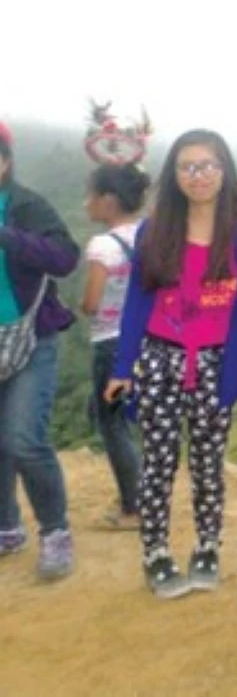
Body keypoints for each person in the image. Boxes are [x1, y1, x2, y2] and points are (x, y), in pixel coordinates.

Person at [105, 129, 237, 598]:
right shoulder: (154, 231)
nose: (198, 176)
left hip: (217, 360)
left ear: (225, 170)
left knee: (207, 462)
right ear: (174, 175)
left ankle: (207, 546)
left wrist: (236, 370)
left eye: (208, 165)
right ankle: (155, 552)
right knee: (158, 461)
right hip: (160, 358)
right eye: (187, 167)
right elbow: (138, 302)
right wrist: (123, 366)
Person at [0, 119, 82, 581]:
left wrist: (6, 236)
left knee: (23, 440)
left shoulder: (27, 206)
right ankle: (6, 527)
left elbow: (65, 258)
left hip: (32, 339)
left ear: (5, 161)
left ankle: (55, 532)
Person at [79, 101, 153, 530]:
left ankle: (134, 505)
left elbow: (92, 302)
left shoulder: (102, 246)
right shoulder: (149, 235)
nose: (86, 203)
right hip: (146, 339)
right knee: (111, 414)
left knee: (111, 424)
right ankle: (141, 488)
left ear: (108, 201)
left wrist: (81, 308)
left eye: (90, 196)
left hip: (109, 342)